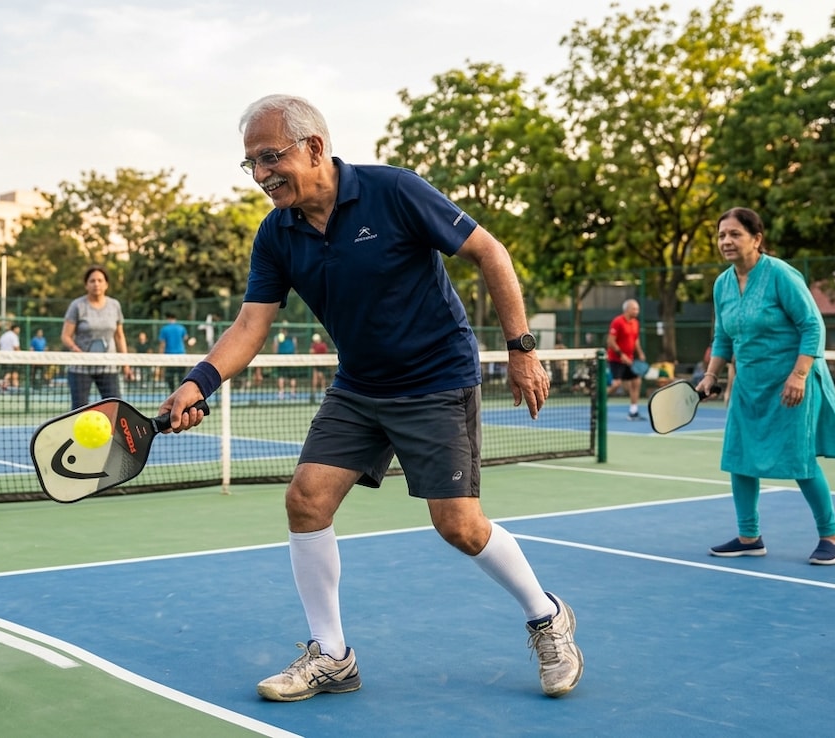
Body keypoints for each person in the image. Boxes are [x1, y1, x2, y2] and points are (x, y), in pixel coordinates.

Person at [159, 94, 581, 701]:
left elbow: (490, 251)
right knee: (306, 500)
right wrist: (199, 382)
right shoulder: (277, 233)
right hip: (360, 386)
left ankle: (547, 617)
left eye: (270, 157)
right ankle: (332, 655)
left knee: (458, 525)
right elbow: (252, 323)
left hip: (436, 380)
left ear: (313, 147)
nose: (260, 175)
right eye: (250, 163)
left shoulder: (395, 192)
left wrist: (521, 348)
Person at [695, 207, 835, 565]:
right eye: (722, 235)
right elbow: (723, 335)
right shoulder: (722, 284)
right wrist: (711, 374)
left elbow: (812, 326)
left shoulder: (781, 275)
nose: (726, 241)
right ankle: (749, 536)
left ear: (757, 239)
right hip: (749, 385)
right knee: (739, 458)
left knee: (798, 459)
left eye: (735, 234)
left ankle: (832, 536)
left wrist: (799, 375)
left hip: (792, 384)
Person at [61, 265, 133, 408]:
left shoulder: (114, 305)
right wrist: (76, 350)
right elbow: (65, 336)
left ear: (106, 284)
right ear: (86, 285)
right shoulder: (77, 306)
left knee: (115, 409)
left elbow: (119, 336)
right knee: (79, 411)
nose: (96, 284)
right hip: (80, 368)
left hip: (108, 367)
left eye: (100, 280)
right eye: (92, 281)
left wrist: (126, 364)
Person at [606, 299, 647, 420]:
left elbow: (635, 340)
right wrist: (621, 355)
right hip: (615, 359)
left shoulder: (636, 323)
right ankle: (599, 402)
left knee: (636, 381)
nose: (637, 311)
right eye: (634, 309)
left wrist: (640, 353)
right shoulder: (617, 322)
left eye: (637, 309)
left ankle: (633, 411)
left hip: (629, 360)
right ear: (627, 309)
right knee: (616, 384)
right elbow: (610, 342)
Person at [158, 313, 188, 389]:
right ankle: (180, 392)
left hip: (169, 356)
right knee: (181, 376)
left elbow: (162, 344)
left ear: (168, 318)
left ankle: (172, 392)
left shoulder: (164, 329)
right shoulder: (181, 328)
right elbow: (185, 338)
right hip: (181, 355)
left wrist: (160, 356)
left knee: (170, 376)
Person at [274, 324, 299, 399]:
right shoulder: (293, 337)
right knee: (292, 377)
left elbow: (275, 347)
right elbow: (295, 347)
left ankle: (281, 393)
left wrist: (274, 357)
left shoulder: (277, 337)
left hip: (282, 358)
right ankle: (293, 393)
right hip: (290, 358)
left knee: (281, 376)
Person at [0, 324, 21, 392]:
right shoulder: (14, 336)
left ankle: (14, 386)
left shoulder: (3, 335)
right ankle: (5, 384)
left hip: (3, 357)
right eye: (18, 329)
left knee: (11, 372)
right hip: (12, 358)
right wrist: (21, 356)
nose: (19, 331)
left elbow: (0, 345)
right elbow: (16, 347)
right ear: (15, 329)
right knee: (11, 372)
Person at [309, 332, 329, 401]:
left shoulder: (320, 345)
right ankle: (315, 391)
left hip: (321, 363)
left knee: (320, 376)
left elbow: (311, 352)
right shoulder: (316, 345)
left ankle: (322, 390)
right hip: (317, 363)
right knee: (316, 377)